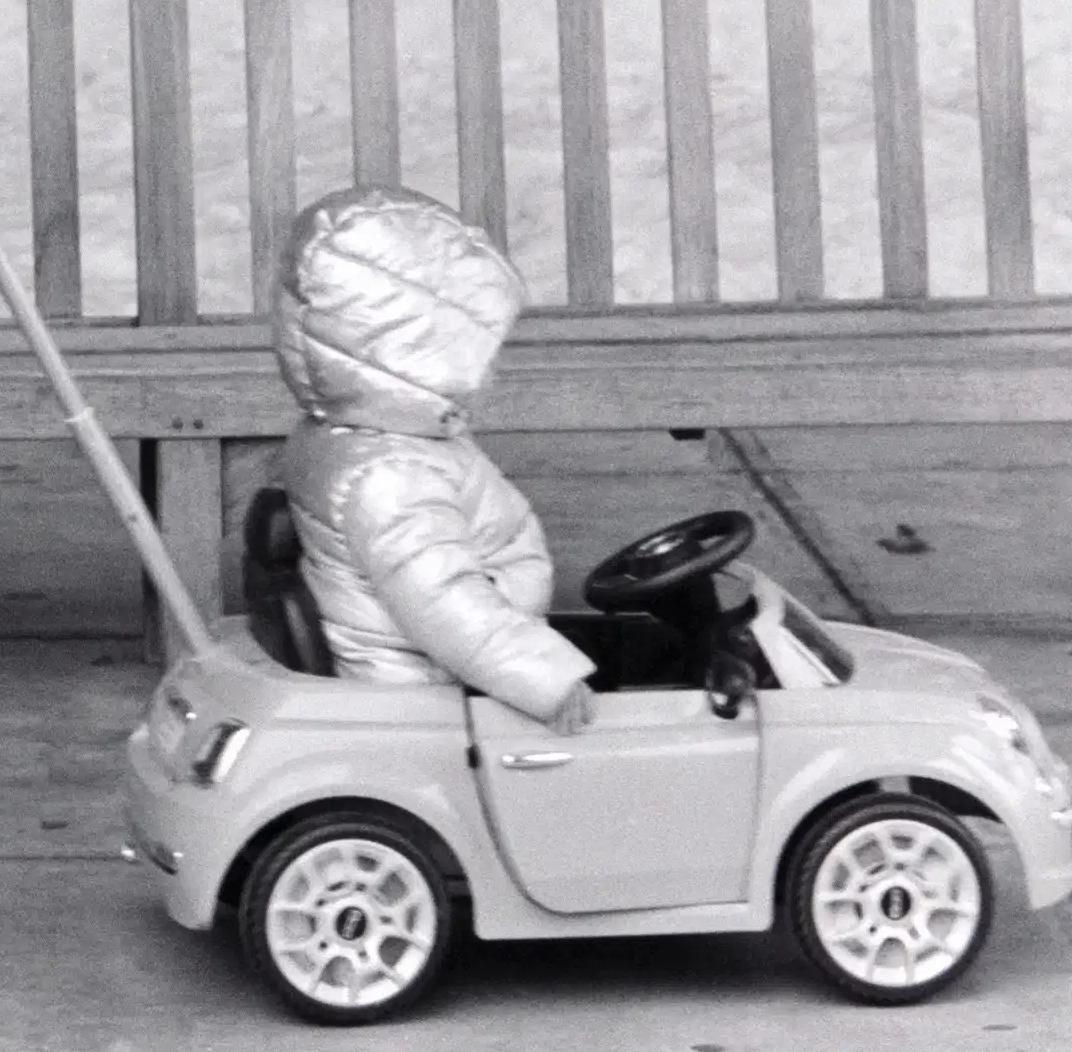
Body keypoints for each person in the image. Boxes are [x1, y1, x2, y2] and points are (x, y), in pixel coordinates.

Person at [267, 184, 735, 723]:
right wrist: (544, 678)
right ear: (408, 361)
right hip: (437, 696)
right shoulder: (392, 478)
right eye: (472, 354)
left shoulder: (372, 439)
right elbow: (443, 599)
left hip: (462, 666)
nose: (493, 370)